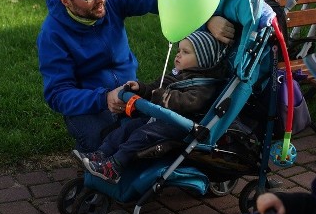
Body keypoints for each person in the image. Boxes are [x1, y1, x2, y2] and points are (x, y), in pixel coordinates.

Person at [37, 0, 235, 154]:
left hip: (129, 94)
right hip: (91, 107)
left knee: (153, 140)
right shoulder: (52, 34)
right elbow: (58, 94)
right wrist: (104, 98)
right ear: (65, 1)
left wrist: (208, 17)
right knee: (108, 152)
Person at [75, 29, 229, 183]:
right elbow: (158, 86)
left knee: (142, 135)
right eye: (179, 50)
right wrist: (142, 89)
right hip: (162, 118)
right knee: (128, 128)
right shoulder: (179, 74)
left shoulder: (204, 85)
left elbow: (190, 103)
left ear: (203, 58)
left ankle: (115, 166)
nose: (178, 54)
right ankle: (102, 153)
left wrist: (159, 95)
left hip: (181, 127)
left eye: (186, 52)